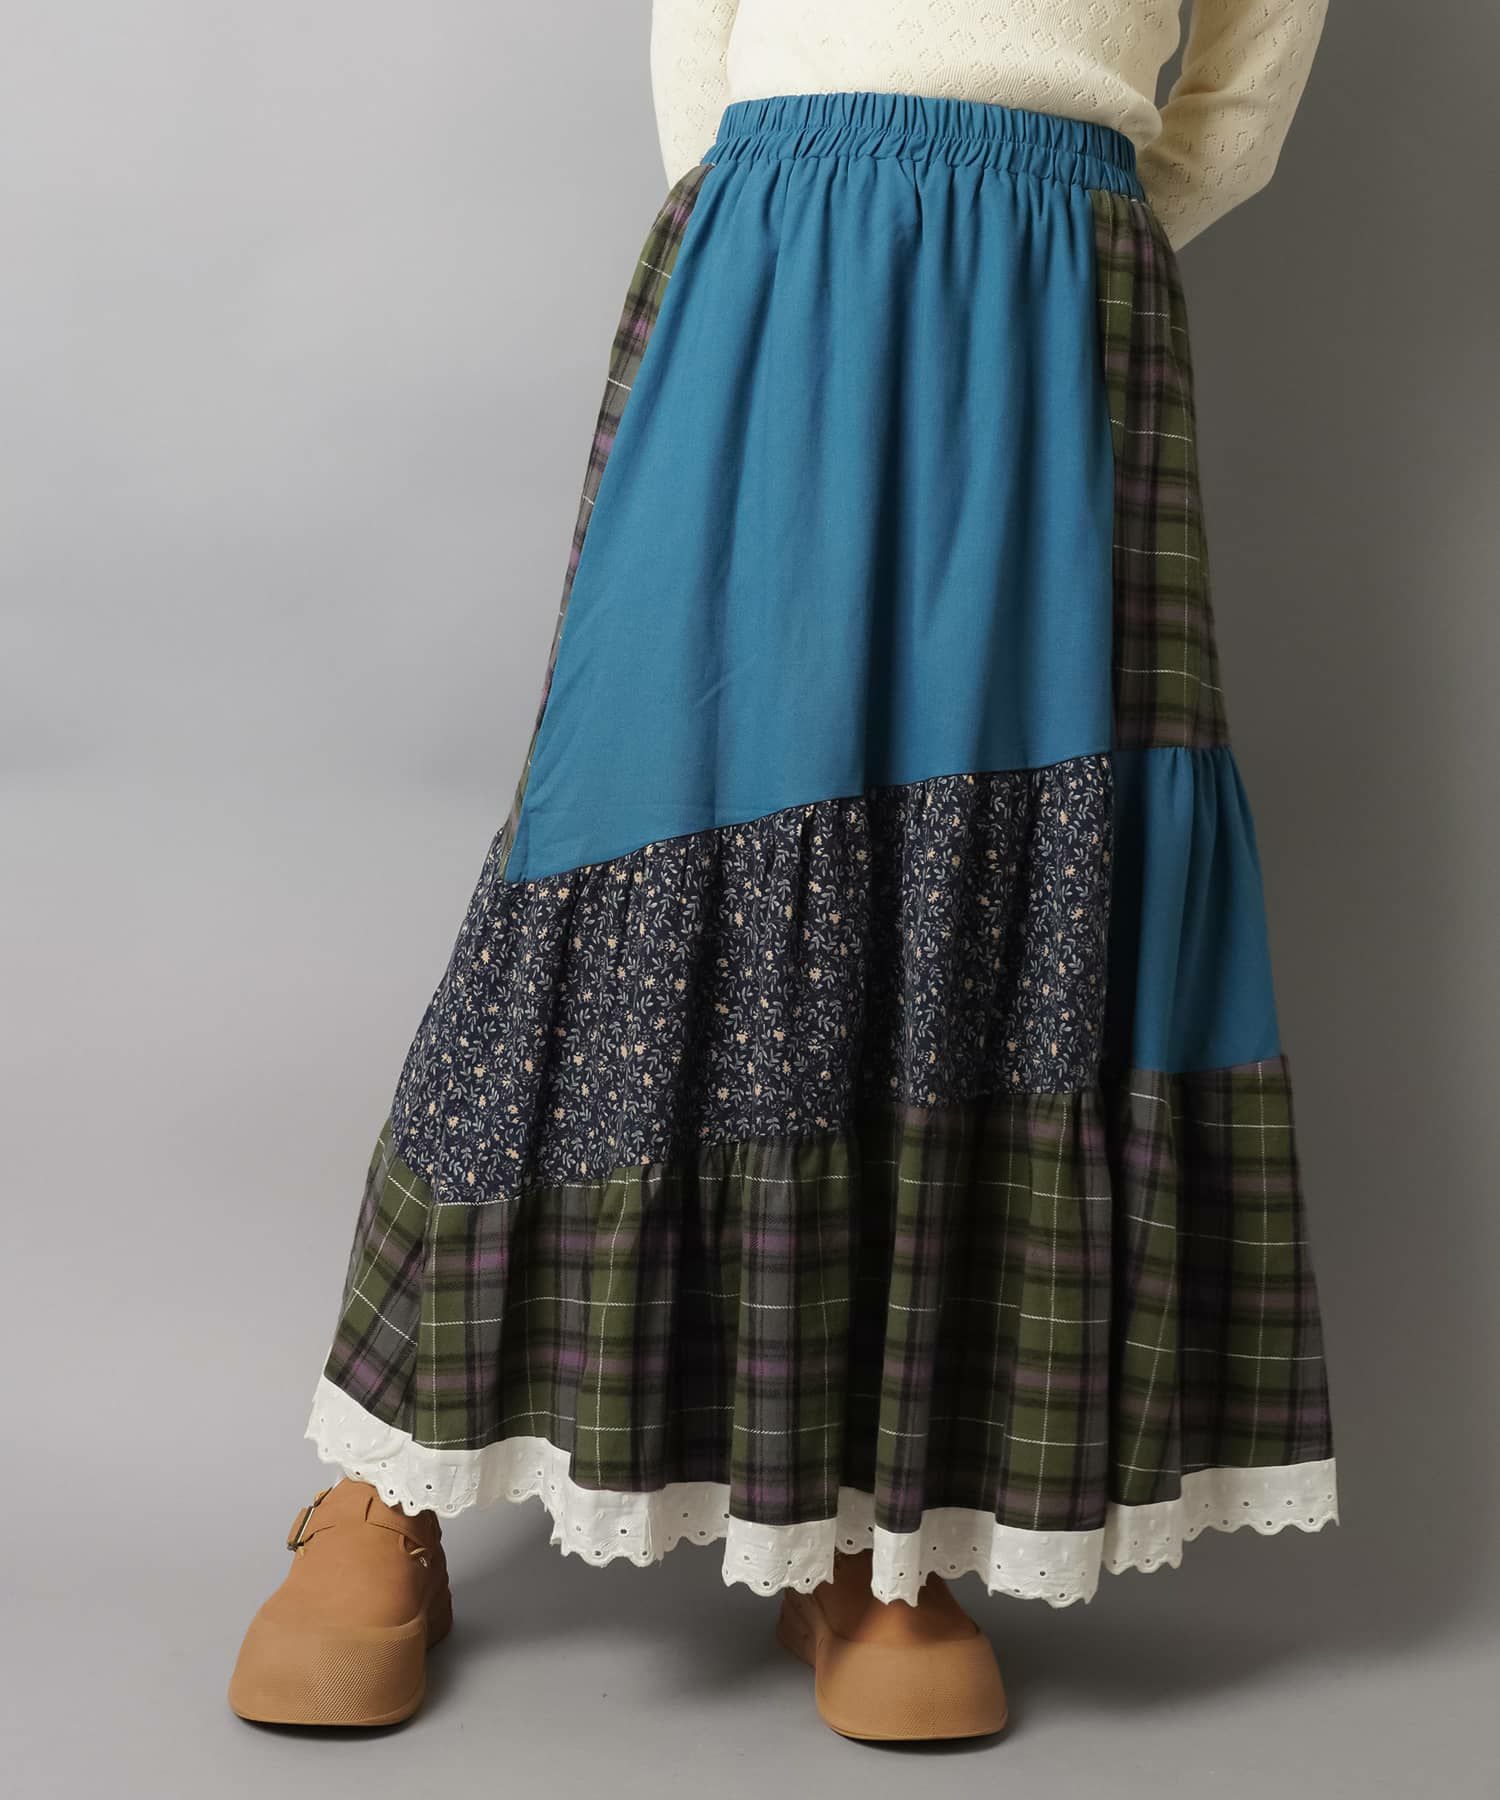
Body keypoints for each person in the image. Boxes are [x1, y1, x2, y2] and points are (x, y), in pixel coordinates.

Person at [229, 0, 1336, 1742]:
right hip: (773, 251)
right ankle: (394, 1471)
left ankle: (876, 1522)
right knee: (626, 842)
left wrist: (1047, 213)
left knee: (987, 896)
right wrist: (789, 218)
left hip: (1061, 289)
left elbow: (1238, 112)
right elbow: (703, 39)